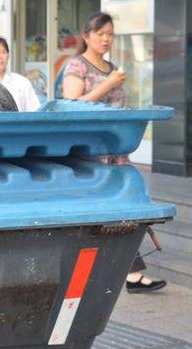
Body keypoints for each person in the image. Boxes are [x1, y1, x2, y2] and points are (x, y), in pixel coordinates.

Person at [63, 12, 166, 294]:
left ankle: (127, 272)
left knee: (128, 208)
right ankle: (123, 273)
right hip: (91, 157)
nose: (106, 39)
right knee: (101, 214)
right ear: (86, 36)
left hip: (117, 154)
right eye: (100, 34)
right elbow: (72, 106)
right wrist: (108, 85)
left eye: (110, 34)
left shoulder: (113, 67)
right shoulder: (76, 66)